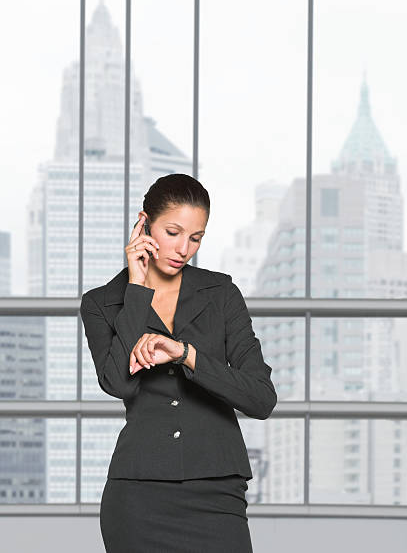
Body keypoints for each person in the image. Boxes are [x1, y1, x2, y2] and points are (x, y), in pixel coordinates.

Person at [80, 173, 277, 553]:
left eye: (196, 238)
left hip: (217, 489)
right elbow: (119, 384)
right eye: (172, 232)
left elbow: (261, 399)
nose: (183, 248)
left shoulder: (221, 294)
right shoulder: (102, 303)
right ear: (144, 224)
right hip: (138, 495)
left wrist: (186, 354)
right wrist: (137, 288)